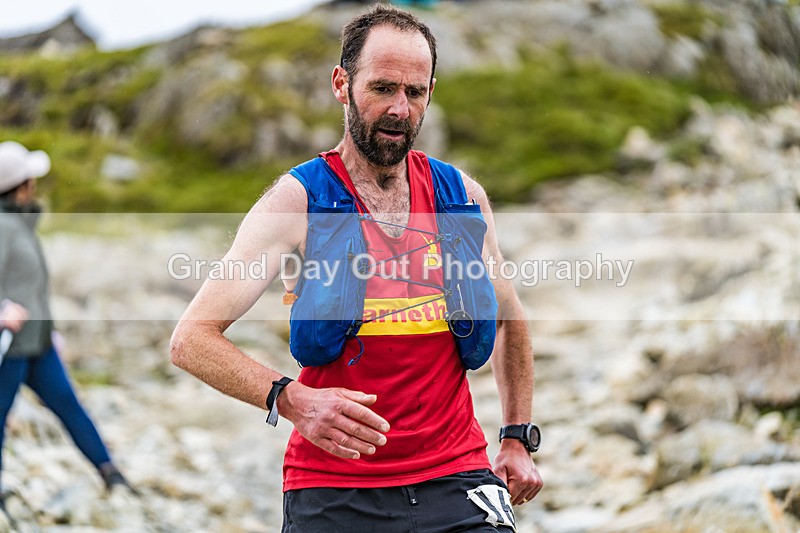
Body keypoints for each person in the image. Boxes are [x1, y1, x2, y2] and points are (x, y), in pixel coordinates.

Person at [171, 5, 542, 531]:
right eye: (383, 88)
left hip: (457, 476)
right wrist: (292, 400)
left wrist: (516, 436)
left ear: (430, 93)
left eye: (415, 93)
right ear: (342, 84)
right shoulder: (298, 200)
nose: (399, 108)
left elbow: (509, 318)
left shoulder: (462, 197)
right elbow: (191, 338)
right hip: (334, 489)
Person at [0, 141, 135, 515]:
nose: (35, 186)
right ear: (18, 185)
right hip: (9, 347)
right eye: (30, 180)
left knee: (69, 406)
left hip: (38, 345)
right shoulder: (4, 226)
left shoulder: (22, 223)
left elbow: (31, 286)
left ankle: (111, 474)